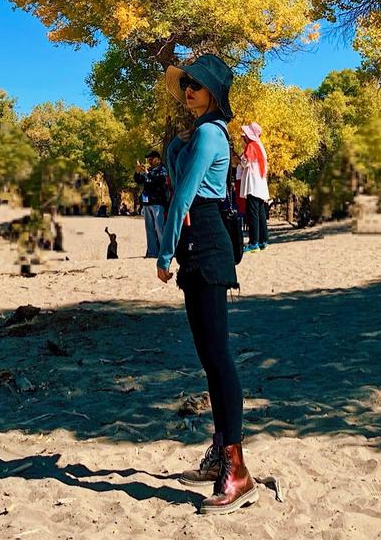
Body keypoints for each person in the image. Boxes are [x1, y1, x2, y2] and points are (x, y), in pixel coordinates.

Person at [157, 54, 257, 515]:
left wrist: (163, 251)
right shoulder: (196, 134)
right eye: (186, 83)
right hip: (199, 244)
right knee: (208, 357)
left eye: (197, 84)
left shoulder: (209, 134)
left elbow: (183, 196)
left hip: (206, 243)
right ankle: (221, 451)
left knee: (218, 358)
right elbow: (179, 180)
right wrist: (173, 148)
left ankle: (236, 469)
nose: (189, 89)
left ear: (215, 92)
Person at [236, 122, 270, 253]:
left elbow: (245, 162)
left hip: (252, 184)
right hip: (261, 184)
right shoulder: (261, 146)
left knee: (252, 214)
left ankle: (253, 242)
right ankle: (263, 240)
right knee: (261, 213)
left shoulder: (251, 146)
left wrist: (238, 160)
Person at [136, 150, 170, 259]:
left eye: (151, 158)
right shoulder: (148, 170)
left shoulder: (162, 170)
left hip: (158, 202)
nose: (149, 160)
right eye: (148, 159)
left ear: (157, 159)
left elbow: (159, 181)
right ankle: (152, 252)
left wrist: (147, 173)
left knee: (159, 227)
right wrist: (137, 172)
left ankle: (165, 251)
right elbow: (139, 180)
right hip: (147, 203)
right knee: (149, 228)